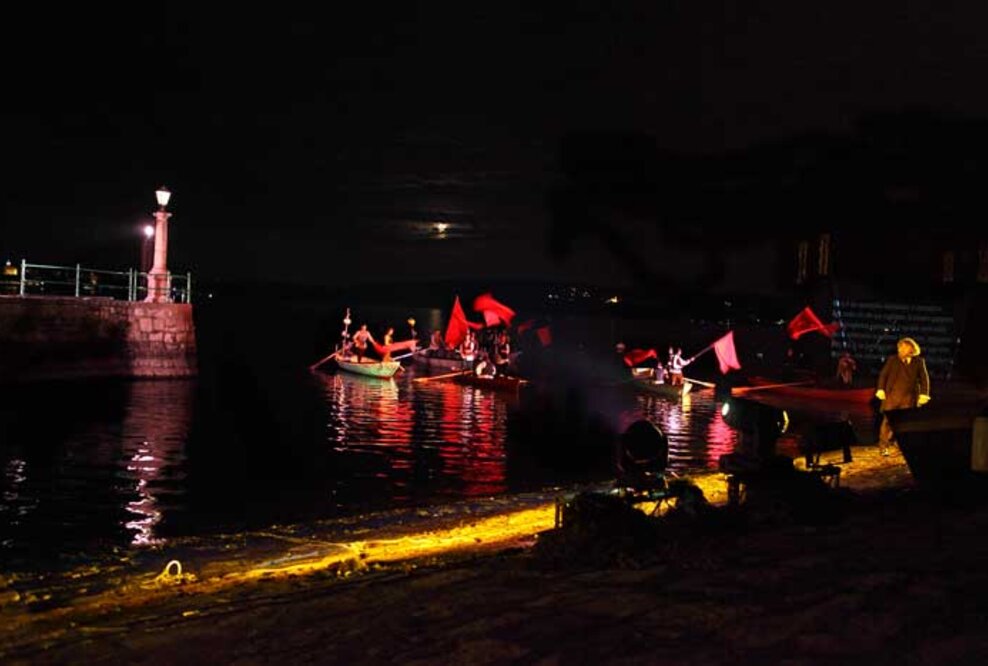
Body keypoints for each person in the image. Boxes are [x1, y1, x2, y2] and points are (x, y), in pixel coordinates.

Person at [875, 337, 931, 456]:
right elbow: (883, 375)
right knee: (887, 422)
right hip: (892, 397)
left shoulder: (919, 361)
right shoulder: (892, 360)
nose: (901, 349)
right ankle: (883, 446)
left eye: (904, 346)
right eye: (900, 347)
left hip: (909, 398)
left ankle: (901, 444)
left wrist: (924, 394)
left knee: (905, 423)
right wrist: (880, 389)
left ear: (911, 348)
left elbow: (924, 379)